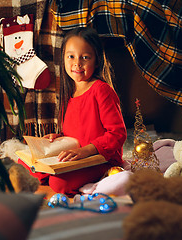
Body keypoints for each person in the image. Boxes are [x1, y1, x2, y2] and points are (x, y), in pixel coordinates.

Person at [18, 27, 127, 197]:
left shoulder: (101, 90)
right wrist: (58, 137)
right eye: (71, 56)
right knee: (26, 164)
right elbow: (76, 130)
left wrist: (85, 151)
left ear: (97, 61)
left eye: (85, 57)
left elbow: (117, 133)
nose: (77, 63)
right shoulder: (69, 92)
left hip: (99, 158)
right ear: (63, 58)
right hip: (74, 157)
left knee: (58, 183)